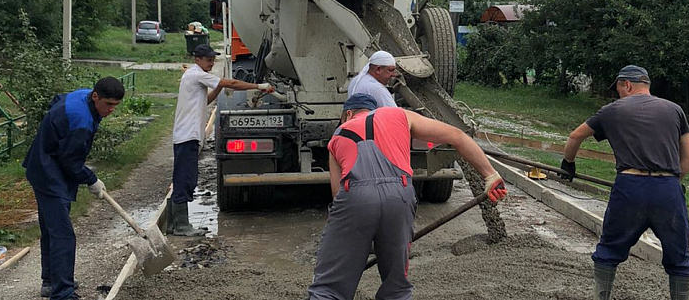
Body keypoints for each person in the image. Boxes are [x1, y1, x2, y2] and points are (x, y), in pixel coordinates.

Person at [307, 93, 508, 300]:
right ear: (373, 110)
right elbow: (457, 136)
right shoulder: (399, 115)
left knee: (328, 289)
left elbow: (338, 195)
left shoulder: (338, 136)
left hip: (356, 195)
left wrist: (351, 241)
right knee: (397, 287)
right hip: (399, 194)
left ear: (348, 114)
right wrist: (490, 175)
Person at [560, 65, 689, 300]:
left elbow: (575, 136)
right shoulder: (675, 110)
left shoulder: (611, 111)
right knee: (679, 257)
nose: (619, 94)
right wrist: (672, 183)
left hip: (630, 186)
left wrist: (568, 164)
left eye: (619, 89)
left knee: (609, 250)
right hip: (668, 189)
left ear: (628, 85)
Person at [23, 77, 126, 300]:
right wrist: (91, 179)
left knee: (52, 229)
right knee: (63, 235)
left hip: (45, 164)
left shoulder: (84, 96)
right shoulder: (81, 120)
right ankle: (62, 293)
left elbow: (57, 100)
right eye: (108, 104)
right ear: (96, 96)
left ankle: (51, 281)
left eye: (115, 105)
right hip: (48, 171)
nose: (111, 110)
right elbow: (71, 161)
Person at [167, 43, 274, 236]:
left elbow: (205, 100)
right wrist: (259, 86)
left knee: (184, 178)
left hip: (187, 135)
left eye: (212, 61)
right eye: (208, 60)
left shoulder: (192, 77)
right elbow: (231, 83)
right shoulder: (196, 74)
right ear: (197, 60)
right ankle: (181, 226)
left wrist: (218, 89)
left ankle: (173, 224)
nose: (211, 64)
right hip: (187, 136)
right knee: (185, 179)